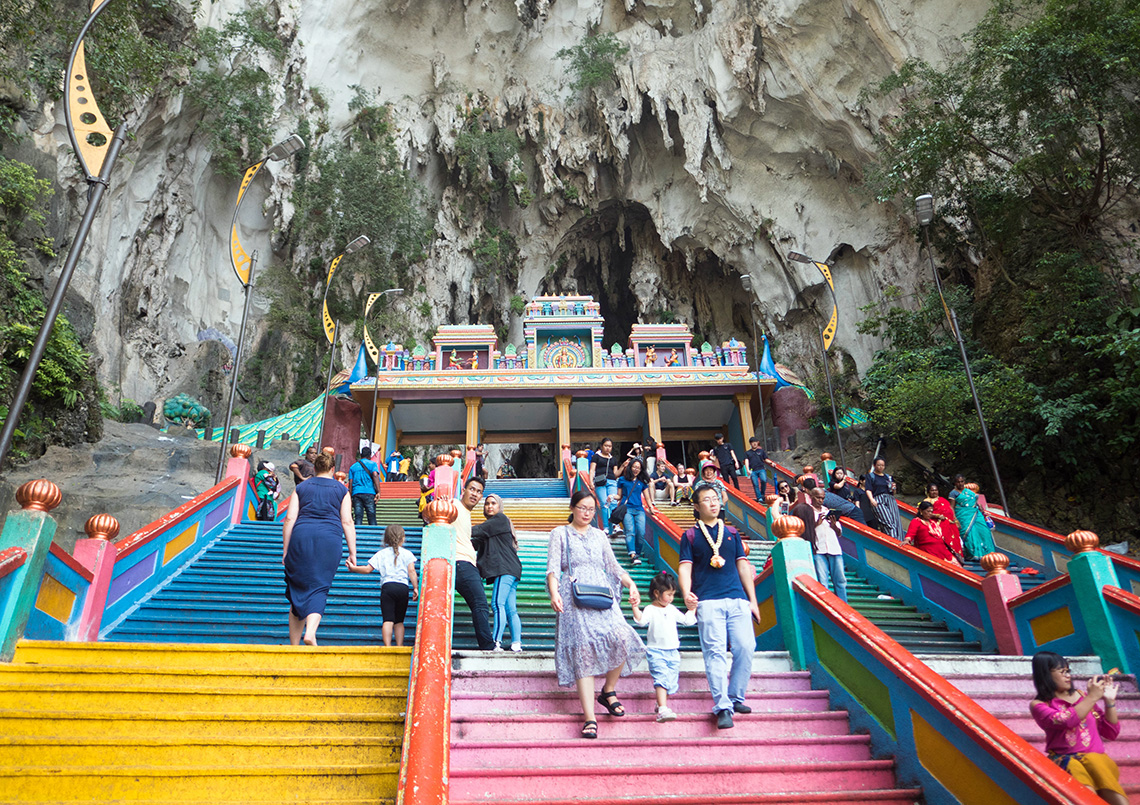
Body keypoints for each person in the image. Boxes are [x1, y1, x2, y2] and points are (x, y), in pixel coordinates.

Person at [547, 490, 646, 739]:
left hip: (603, 596)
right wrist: (553, 593)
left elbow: (613, 567)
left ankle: (608, 690)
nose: (587, 513)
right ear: (572, 508)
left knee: (624, 636)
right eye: (582, 508)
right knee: (583, 652)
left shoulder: (600, 536)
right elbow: (552, 569)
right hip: (574, 598)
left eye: (591, 509)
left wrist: (631, 584)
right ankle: (589, 717)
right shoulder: (560, 534)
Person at [679, 485, 760, 729]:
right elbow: (685, 566)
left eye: (715, 499)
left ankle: (736, 697)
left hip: (736, 599)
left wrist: (752, 600)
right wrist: (686, 594)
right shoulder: (690, 535)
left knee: (746, 646)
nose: (713, 503)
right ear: (696, 506)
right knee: (714, 653)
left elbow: (743, 565)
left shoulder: (733, 533)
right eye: (706, 500)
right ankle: (722, 706)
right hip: (708, 601)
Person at [1030, 652, 1126, 805]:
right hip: (1066, 761)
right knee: (1077, 774)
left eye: (1068, 671)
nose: (1068, 676)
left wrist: (1109, 702)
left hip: (1097, 761)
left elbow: (1111, 733)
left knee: (1096, 763)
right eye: (1062, 672)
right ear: (1046, 674)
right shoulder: (1040, 705)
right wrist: (1092, 697)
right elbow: (1067, 721)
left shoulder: (1083, 696)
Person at [282, 452, 357, 646]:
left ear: (314, 468)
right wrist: (353, 552)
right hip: (329, 539)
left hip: (301, 536)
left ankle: (294, 645)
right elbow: (347, 521)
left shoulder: (302, 487)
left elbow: (289, 519)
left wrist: (286, 550)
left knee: (297, 589)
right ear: (333, 469)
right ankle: (311, 633)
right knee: (319, 587)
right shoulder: (341, 490)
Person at [631, 571, 696, 722]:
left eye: (673, 594)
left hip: (673, 651)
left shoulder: (672, 609)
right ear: (656, 593)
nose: (671, 598)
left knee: (671, 682)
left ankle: (660, 704)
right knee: (661, 678)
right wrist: (635, 606)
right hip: (656, 651)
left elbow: (687, 621)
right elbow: (640, 621)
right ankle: (662, 709)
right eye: (669, 594)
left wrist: (692, 608)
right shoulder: (650, 609)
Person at [346, 524, 417, 646]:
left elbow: (367, 569)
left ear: (386, 539)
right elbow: (412, 571)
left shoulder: (381, 553)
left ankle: (388, 647)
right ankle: (400, 646)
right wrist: (415, 587)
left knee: (388, 619)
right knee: (399, 621)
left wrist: (353, 569)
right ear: (403, 538)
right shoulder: (408, 554)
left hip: (388, 587)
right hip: (403, 588)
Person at [472, 493, 523, 651]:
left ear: (499, 506)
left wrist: (457, 527)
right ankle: (516, 643)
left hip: (505, 568)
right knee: (510, 608)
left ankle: (496, 642)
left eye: (493, 503)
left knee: (496, 603)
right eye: (487, 503)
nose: (490, 506)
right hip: (512, 569)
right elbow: (475, 542)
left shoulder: (500, 519)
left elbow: (477, 530)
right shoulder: (490, 528)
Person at [454, 476, 496, 650]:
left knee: (477, 604)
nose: (475, 494)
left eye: (479, 492)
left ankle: (487, 644)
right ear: (463, 490)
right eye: (472, 489)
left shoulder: (466, 513)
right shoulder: (454, 505)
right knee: (479, 602)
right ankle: (487, 646)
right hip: (460, 562)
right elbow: (429, 513)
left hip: (466, 563)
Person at [792, 487, 848, 602]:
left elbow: (839, 533)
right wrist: (816, 524)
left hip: (834, 548)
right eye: (818, 498)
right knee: (822, 581)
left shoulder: (829, 511)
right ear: (811, 497)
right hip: (818, 549)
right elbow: (805, 530)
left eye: (822, 498)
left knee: (840, 580)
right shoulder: (807, 511)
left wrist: (833, 526)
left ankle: (843, 603)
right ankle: (825, 604)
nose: (820, 500)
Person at [610, 458, 655, 565]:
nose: (636, 469)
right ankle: (633, 554)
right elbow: (619, 496)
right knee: (630, 531)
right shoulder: (622, 480)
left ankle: (637, 553)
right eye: (634, 467)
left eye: (638, 468)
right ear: (630, 467)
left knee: (641, 532)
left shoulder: (642, 481)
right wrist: (612, 496)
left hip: (639, 509)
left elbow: (647, 497)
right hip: (627, 509)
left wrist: (650, 507)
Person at [904, 501, 961, 565]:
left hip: (943, 551)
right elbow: (910, 534)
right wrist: (907, 540)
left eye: (931, 511)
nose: (930, 514)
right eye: (928, 511)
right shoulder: (916, 521)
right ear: (921, 511)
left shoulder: (933, 522)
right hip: (929, 551)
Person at [955, 481, 996, 560]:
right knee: (970, 535)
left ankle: (987, 553)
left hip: (977, 516)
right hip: (965, 518)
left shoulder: (977, 504)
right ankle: (973, 554)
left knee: (984, 532)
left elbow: (982, 511)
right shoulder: (959, 502)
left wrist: (980, 509)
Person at [924, 483, 964, 559]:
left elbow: (950, 509)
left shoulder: (942, 499)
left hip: (950, 524)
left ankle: (956, 558)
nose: (934, 492)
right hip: (938, 524)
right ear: (928, 492)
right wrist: (937, 516)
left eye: (936, 490)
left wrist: (955, 520)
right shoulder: (927, 501)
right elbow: (925, 513)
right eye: (932, 490)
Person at [865, 458, 902, 540]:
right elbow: (868, 489)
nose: (881, 467)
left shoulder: (888, 477)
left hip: (890, 499)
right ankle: (893, 541)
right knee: (888, 522)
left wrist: (894, 488)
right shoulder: (871, 476)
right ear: (874, 465)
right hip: (878, 499)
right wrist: (871, 500)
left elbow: (893, 492)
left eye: (882, 465)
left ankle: (896, 540)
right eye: (878, 465)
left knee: (896, 522)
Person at [589, 438, 620, 535]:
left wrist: (623, 467)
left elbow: (615, 474)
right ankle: (606, 527)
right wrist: (591, 482)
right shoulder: (596, 457)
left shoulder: (613, 459)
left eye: (610, 446)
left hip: (612, 481)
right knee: (604, 504)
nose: (608, 448)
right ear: (602, 446)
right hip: (600, 482)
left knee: (613, 503)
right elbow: (592, 470)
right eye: (606, 446)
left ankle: (615, 525)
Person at [347, 447, 381, 526]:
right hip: (369, 492)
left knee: (358, 516)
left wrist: (350, 496)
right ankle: (374, 535)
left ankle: (357, 534)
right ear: (370, 455)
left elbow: (350, 482)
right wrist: (379, 491)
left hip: (356, 493)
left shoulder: (353, 467)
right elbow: (375, 475)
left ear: (361, 455)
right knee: (371, 515)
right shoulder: (372, 464)